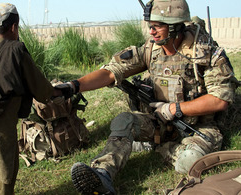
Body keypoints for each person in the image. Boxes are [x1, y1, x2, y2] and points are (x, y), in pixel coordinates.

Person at [54, 0, 240, 194]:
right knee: (124, 120)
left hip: (199, 127)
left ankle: (161, 148)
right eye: (150, 26)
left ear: (176, 26)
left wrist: (175, 109)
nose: (151, 31)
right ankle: (102, 174)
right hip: (159, 121)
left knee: (188, 161)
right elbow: (111, 72)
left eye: (158, 26)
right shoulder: (151, 50)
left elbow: (220, 99)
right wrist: (73, 86)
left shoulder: (205, 53)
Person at [0, 3, 60, 195]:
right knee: (5, 162)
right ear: (14, 27)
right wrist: (55, 91)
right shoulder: (17, 50)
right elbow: (41, 89)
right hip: (1, 119)